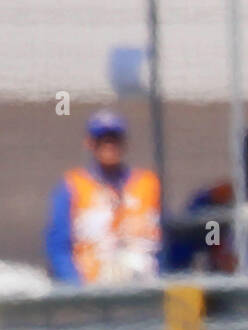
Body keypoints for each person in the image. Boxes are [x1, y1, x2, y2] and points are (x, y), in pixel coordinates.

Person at [45, 110, 161, 284]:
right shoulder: (73, 185)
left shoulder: (148, 183)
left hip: (143, 285)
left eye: (114, 139)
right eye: (102, 140)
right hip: (93, 287)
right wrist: (75, 289)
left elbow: (167, 240)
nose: (109, 146)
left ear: (124, 143)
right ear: (90, 143)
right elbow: (58, 245)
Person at [167, 130, 248, 274]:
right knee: (207, 221)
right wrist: (215, 249)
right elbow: (203, 234)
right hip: (244, 276)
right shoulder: (221, 195)